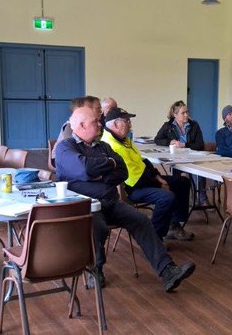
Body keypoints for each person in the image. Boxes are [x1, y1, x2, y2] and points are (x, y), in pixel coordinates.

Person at [54, 107, 196, 291]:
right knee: (98, 226)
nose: (100, 125)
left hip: (110, 202)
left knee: (142, 221)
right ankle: (95, 270)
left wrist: (102, 172)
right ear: (81, 125)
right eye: (95, 122)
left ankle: (167, 271)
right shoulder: (66, 147)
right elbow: (84, 169)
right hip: (85, 207)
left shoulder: (102, 146)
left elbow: (122, 171)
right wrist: (105, 168)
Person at [101, 107, 194, 241]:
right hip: (131, 188)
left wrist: (157, 176)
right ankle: (153, 237)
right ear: (115, 124)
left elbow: (143, 161)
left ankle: (173, 226)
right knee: (166, 197)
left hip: (143, 180)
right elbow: (134, 178)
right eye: (126, 121)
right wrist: (158, 184)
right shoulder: (111, 144)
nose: (130, 124)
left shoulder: (123, 139)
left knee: (182, 182)